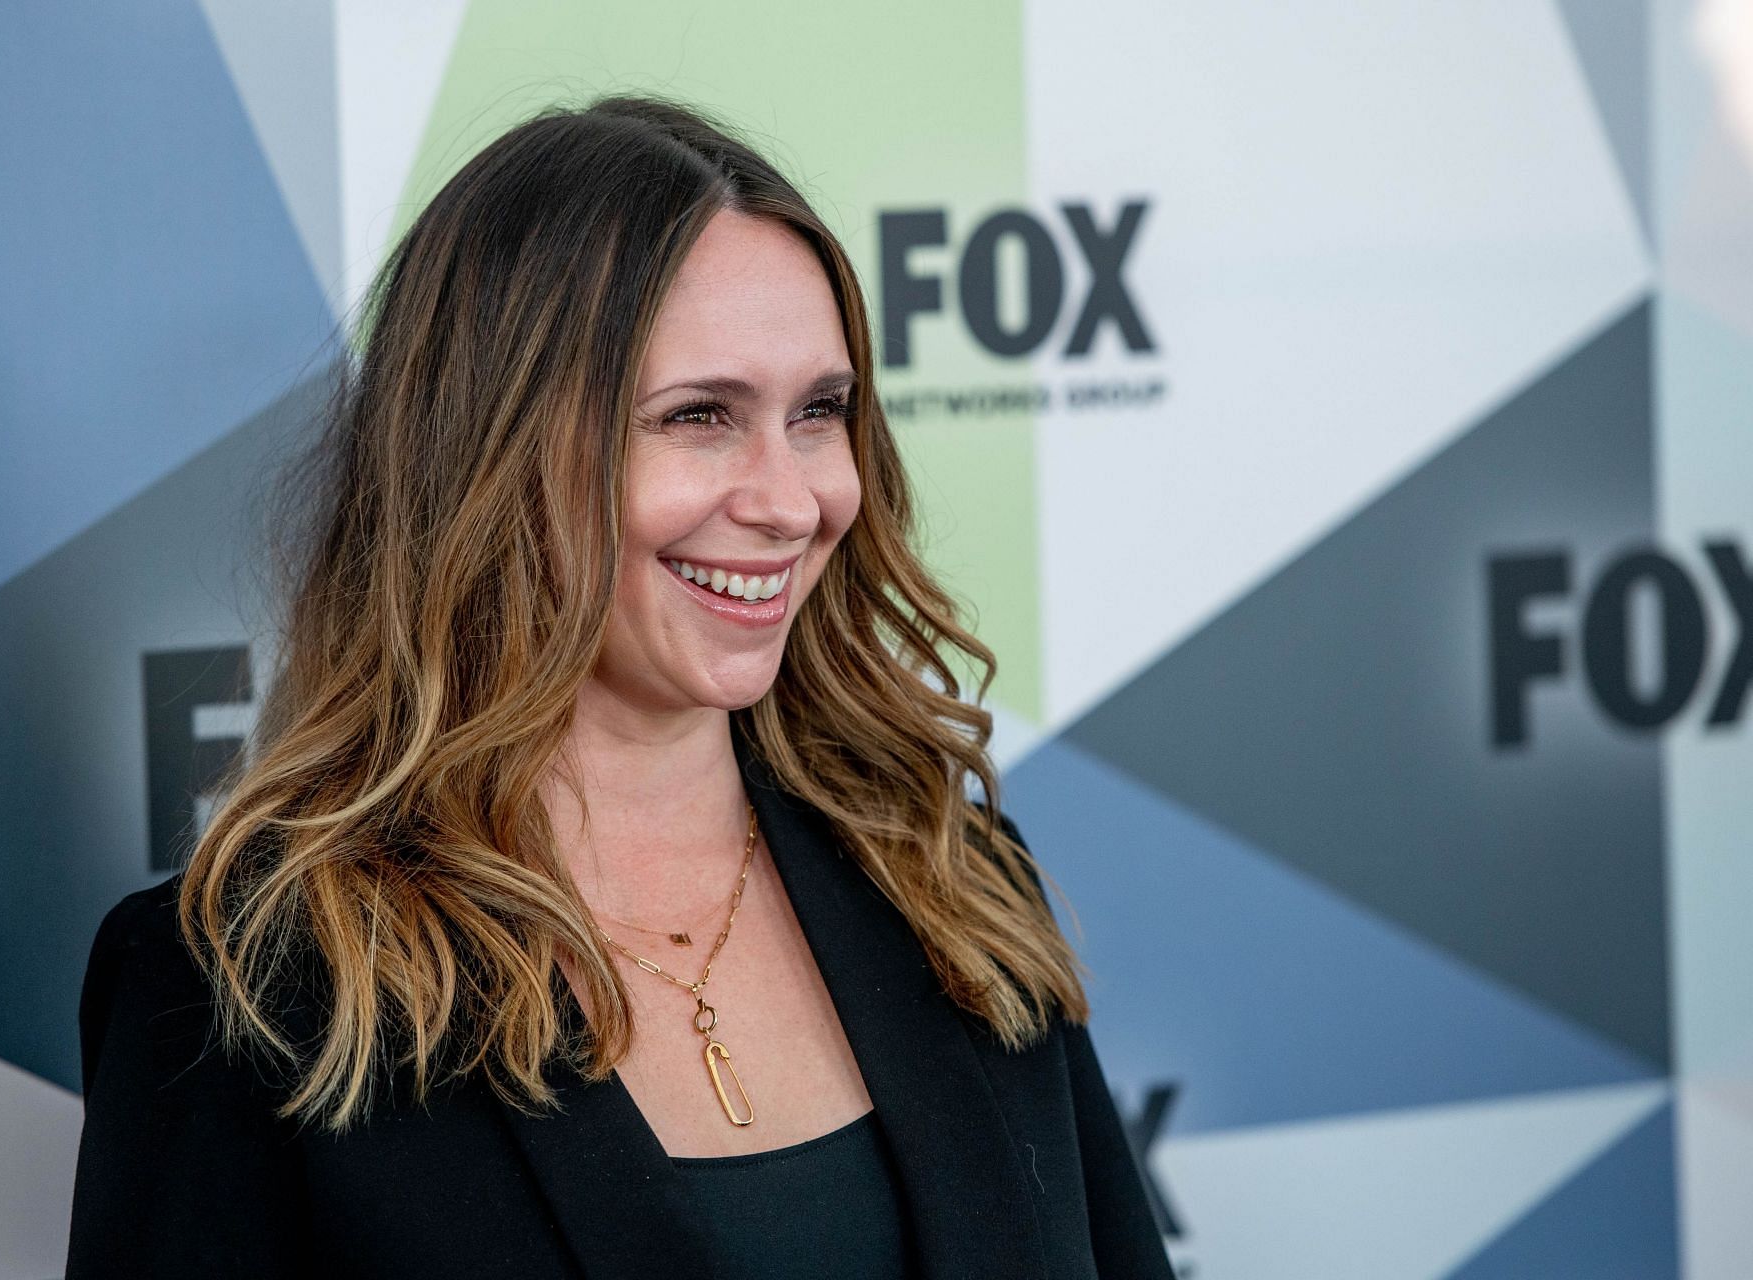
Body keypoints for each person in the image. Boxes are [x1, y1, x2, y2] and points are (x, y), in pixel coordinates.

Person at [64, 92, 1174, 1279]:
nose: (792, 499)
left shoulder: (951, 881)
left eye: (820, 412)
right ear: (487, 451)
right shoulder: (246, 987)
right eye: (698, 416)